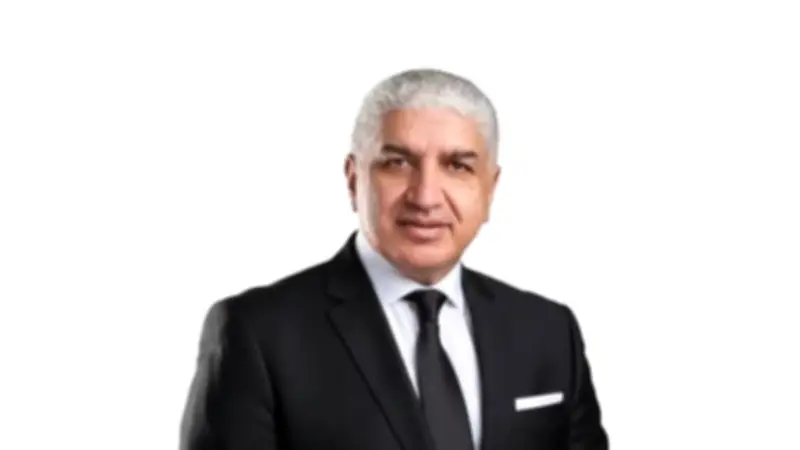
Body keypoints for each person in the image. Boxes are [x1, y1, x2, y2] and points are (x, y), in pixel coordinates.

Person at [179, 68, 609, 450]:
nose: (425, 197)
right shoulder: (258, 333)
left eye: (457, 166)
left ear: (490, 189)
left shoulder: (549, 333)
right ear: (354, 180)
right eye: (398, 163)